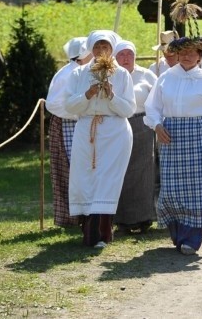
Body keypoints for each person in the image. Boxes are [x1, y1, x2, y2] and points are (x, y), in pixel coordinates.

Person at [144, 35, 202, 255]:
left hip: (200, 137)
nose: (186, 57)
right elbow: (152, 107)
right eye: (182, 53)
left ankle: (192, 239)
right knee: (172, 188)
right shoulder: (166, 77)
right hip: (171, 137)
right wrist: (156, 125)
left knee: (197, 188)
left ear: (200, 55)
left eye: (192, 52)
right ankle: (178, 233)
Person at [64, 30, 136, 248]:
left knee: (107, 180)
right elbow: (69, 105)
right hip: (87, 129)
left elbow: (129, 109)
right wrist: (87, 94)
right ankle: (87, 229)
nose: (101, 51)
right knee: (85, 178)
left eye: (105, 47)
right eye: (97, 47)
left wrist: (112, 95)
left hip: (114, 131)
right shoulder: (79, 74)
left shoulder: (122, 75)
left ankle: (101, 234)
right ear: (91, 49)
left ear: (111, 49)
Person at [44, 37, 91, 227]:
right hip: (68, 126)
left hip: (83, 124)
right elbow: (54, 104)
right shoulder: (67, 74)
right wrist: (79, 112)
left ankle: (86, 214)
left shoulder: (84, 71)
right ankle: (73, 216)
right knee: (71, 171)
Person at [113, 40, 157, 233]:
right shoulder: (110, 75)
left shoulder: (146, 75)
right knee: (121, 172)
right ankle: (122, 219)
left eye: (129, 54)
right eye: (121, 54)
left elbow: (157, 100)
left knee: (144, 172)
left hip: (143, 125)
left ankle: (144, 217)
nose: (126, 58)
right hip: (118, 125)